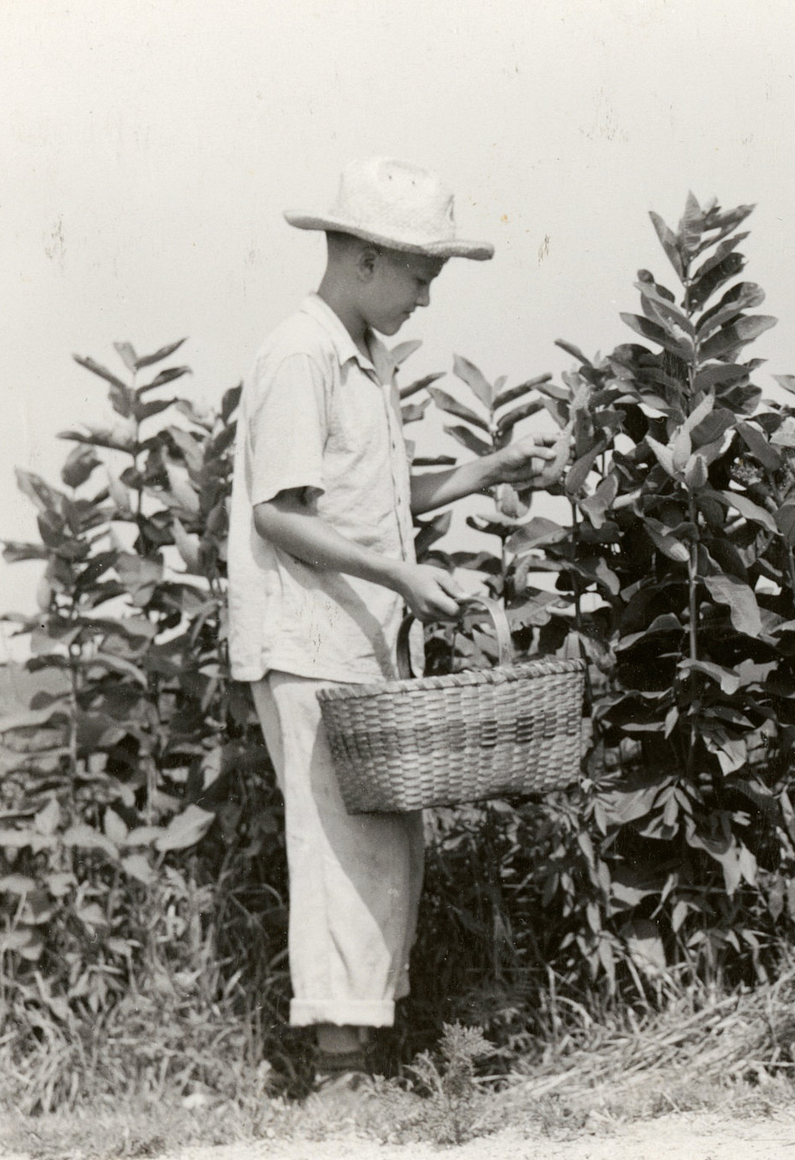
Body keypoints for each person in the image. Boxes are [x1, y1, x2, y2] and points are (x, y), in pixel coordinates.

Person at [227, 157, 557, 1092]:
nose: (424, 296)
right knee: (339, 848)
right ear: (366, 257)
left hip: (356, 636)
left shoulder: (357, 354)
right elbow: (280, 515)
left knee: (381, 844)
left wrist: (483, 474)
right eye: (420, 275)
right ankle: (339, 1074)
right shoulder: (300, 355)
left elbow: (368, 499)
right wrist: (402, 576)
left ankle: (361, 1057)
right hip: (306, 639)